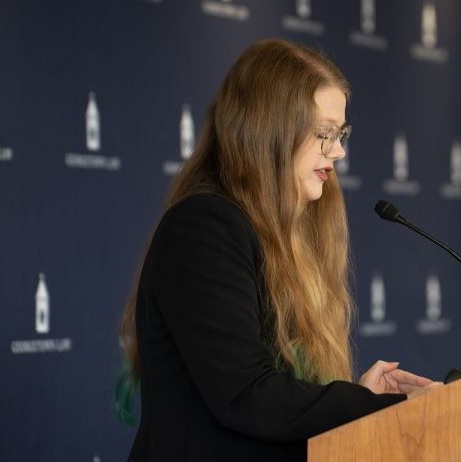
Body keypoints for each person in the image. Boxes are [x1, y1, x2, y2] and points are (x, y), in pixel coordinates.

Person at [118, 38, 439, 461]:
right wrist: (372, 407)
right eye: (324, 133)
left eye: (341, 133)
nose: (339, 151)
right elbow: (248, 395)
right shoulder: (204, 228)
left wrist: (357, 402)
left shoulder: (283, 231)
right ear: (268, 129)